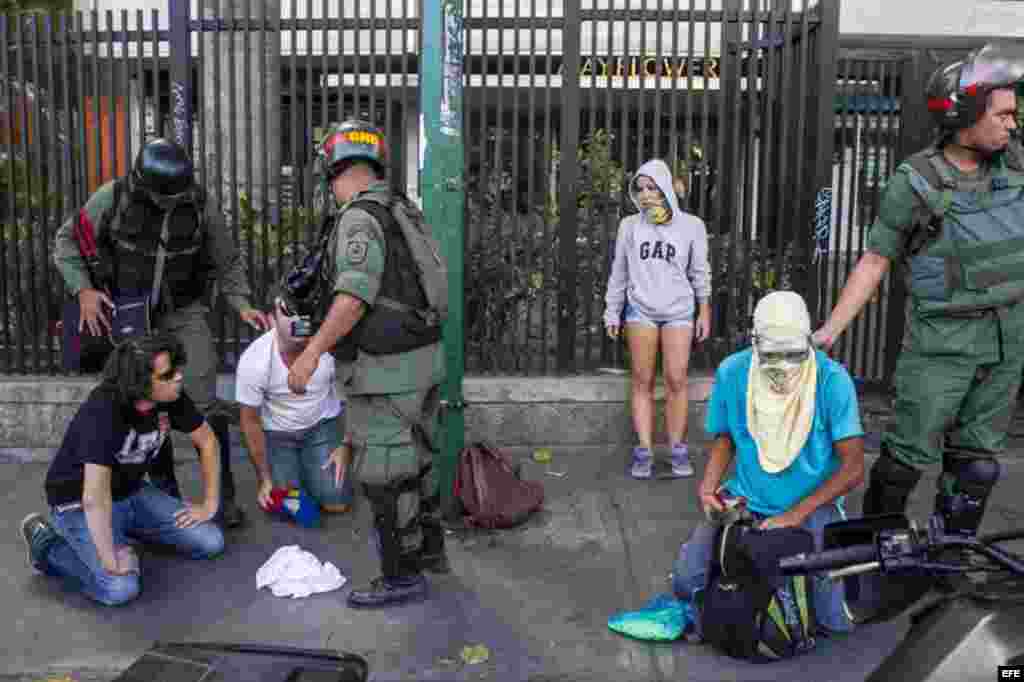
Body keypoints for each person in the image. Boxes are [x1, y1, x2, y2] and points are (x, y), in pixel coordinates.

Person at [812, 42, 1024, 538]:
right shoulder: (917, 182)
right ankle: (870, 552)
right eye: (1004, 114)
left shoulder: (1015, 166)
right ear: (966, 113)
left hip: (1007, 338)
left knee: (977, 465)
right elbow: (875, 258)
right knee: (904, 460)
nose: (1013, 124)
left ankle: (950, 554)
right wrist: (831, 329)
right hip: (940, 345)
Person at [52, 138, 272, 529]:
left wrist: (242, 304)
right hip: (129, 314)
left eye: (175, 196)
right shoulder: (113, 197)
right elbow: (68, 240)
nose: (168, 203)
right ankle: (162, 490)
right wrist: (83, 289)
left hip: (183, 311)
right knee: (140, 397)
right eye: (160, 197)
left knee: (203, 397)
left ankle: (221, 499)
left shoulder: (201, 206)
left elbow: (227, 260)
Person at [285, 119, 449, 608]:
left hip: (385, 370)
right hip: (423, 361)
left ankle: (400, 578)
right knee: (418, 460)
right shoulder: (402, 208)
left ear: (334, 170)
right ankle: (429, 553)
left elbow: (354, 296)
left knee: (383, 475)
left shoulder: (358, 218)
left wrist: (311, 353)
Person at [672, 291, 865, 636]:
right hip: (748, 500)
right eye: (773, 355)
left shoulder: (832, 380)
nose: (783, 367)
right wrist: (708, 488)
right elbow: (727, 438)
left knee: (834, 621)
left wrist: (794, 516)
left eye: (794, 354)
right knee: (687, 582)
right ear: (755, 343)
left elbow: (853, 469)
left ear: (809, 341)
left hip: (812, 507)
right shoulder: (734, 371)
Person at [19, 333, 225, 606]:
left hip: (131, 493)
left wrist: (209, 504)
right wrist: (110, 559)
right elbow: (94, 498)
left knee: (211, 541)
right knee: (119, 588)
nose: (177, 377)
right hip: (78, 504)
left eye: (176, 369)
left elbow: (207, 440)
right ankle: (45, 545)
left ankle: (126, 531)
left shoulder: (171, 397)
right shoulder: (103, 410)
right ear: (139, 384)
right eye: (167, 375)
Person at [603, 158, 712, 480]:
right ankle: (645, 450)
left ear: (666, 188)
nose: (647, 194)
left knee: (677, 379)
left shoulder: (692, 226)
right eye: (641, 188)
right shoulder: (630, 226)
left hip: (679, 309)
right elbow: (619, 272)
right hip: (641, 309)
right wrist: (612, 309)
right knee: (642, 380)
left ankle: (677, 448)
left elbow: (700, 272)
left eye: (652, 187)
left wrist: (704, 309)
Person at [235, 290, 354, 515]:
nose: (298, 320)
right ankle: (298, 475)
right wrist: (264, 477)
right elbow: (250, 421)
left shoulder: (329, 348)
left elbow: (352, 396)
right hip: (278, 434)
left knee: (336, 501)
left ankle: (314, 474)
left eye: (304, 313)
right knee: (286, 501)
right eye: (288, 313)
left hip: (321, 427)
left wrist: (346, 445)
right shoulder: (255, 360)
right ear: (271, 320)